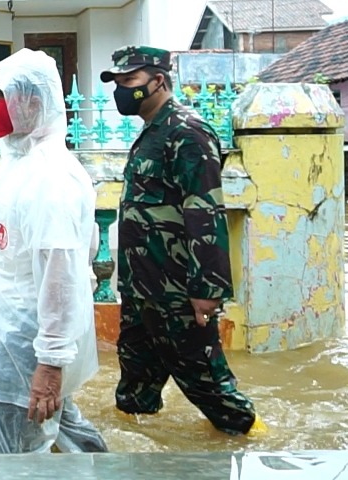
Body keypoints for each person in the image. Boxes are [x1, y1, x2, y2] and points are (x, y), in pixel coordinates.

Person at [101, 46, 265, 436]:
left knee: (209, 386)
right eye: (118, 82)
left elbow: (205, 213)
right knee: (135, 390)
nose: (122, 90)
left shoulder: (187, 132)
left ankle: (257, 442)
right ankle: (139, 454)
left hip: (176, 290)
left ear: (159, 81)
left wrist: (207, 290)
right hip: (143, 288)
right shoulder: (153, 132)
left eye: (130, 81)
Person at [0, 49, 108, 453]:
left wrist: (50, 362)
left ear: (29, 101)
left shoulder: (50, 178)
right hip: (17, 336)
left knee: (20, 457)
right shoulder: (23, 165)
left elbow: (63, 273)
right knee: (67, 434)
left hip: (29, 343)